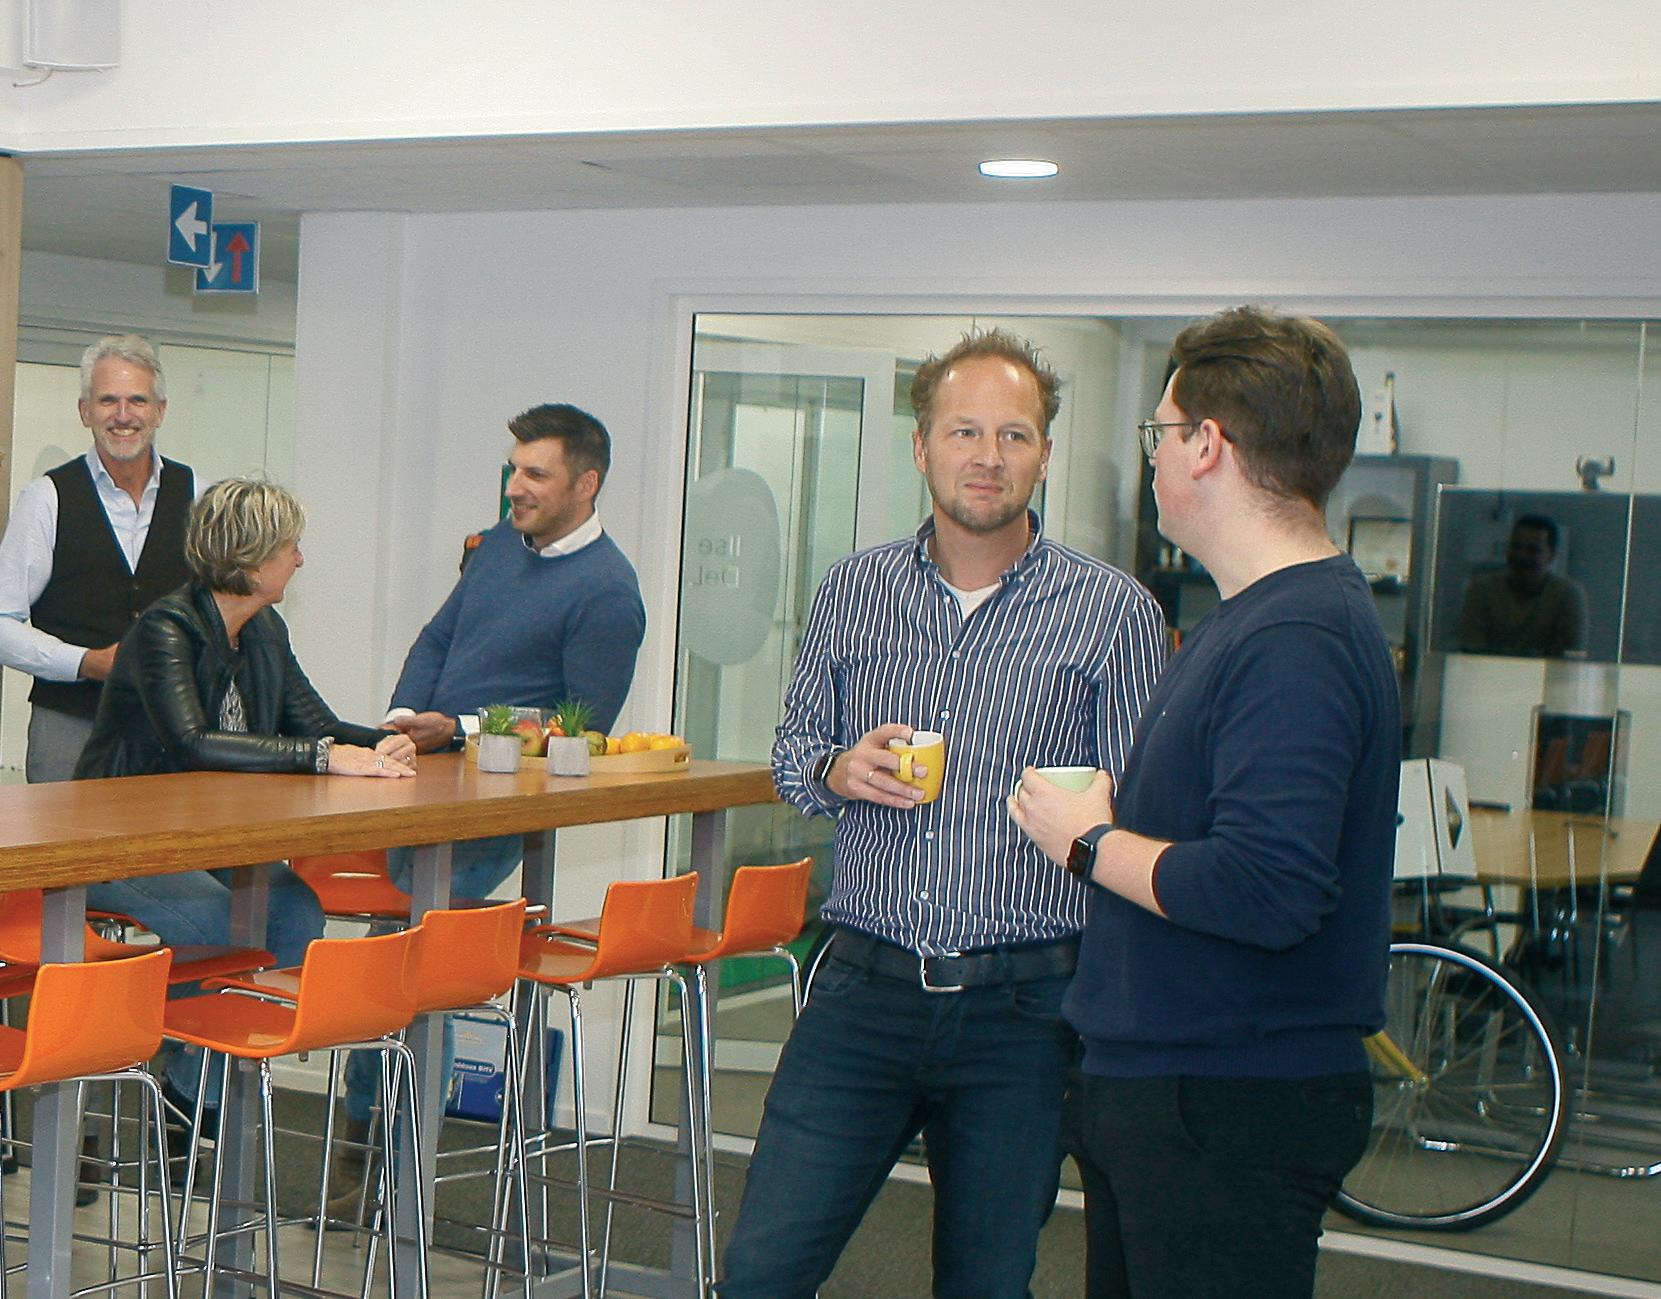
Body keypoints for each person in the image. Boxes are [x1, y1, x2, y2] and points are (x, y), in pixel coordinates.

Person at [718, 330, 1166, 1299]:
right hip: (862, 992)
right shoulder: (853, 590)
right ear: (920, 446)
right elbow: (792, 755)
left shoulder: (1113, 612)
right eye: (964, 431)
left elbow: (1143, 809)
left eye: (1013, 435)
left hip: (1026, 1008)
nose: (986, 456)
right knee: (758, 1273)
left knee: (984, 1283)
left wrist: (1095, 817)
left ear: (1043, 455)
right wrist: (838, 768)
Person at [1009, 306, 1398, 1299]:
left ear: (1207, 445)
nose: (1153, 459)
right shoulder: (1254, 619)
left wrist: (1086, 842)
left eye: (1160, 432)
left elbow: (1267, 888)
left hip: (1226, 1099)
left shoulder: (1295, 638)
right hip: (1175, 1089)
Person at [334, 401, 646, 1203]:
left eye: (535, 473)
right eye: (513, 469)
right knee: (391, 954)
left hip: (492, 812)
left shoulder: (609, 591)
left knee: (412, 961)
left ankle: (390, 1170)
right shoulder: (499, 546)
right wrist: (405, 718)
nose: (515, 486)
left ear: (585, 484)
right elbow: (439, 637)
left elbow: (583, 725)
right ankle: (365, 1152)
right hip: (420, 788)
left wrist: (464, 726)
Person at [76, 477, 416, 1126]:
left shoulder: (264, 630)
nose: (300, 559)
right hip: (124, 843)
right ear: (254, 561)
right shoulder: (165, 630)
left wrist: (392, 742)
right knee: (213, 922)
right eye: (291, 546)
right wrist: (325, 757)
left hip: (212, 842)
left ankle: (202, 1083)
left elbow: (316, 723)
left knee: (294, 910)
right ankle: (192, 1099)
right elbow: (192, 741)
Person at [0, 334, 195, 782]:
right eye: (108, 400)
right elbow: (3, 620)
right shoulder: (47, 498)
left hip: (172, 728)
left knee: (170, 831)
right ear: (85, 411)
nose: (123, 415)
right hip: (68, 726)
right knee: (61, 830)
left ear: (160, 411)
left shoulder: (198, 495)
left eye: (137, 400)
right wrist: (84, 662)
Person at [1457, 514, 1588, 657]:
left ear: (1551, 556)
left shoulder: (1568, 595)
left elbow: (1570, 657)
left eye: (1533, 550)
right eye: (1516, 547)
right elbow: (1471, 652)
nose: (1521, 555)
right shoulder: (1481, 590)